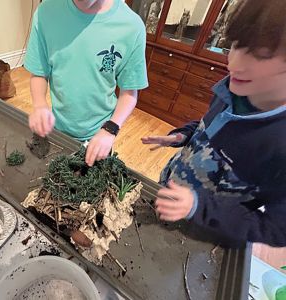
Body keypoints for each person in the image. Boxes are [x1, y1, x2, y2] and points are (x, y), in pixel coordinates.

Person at [142, 0, 286, 247]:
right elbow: (209, 128)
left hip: (205, 237)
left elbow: (277, 229)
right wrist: (183, 136)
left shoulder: (279, 144)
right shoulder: (234, 89)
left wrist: (199, 207)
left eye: (260, 55)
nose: (234, 64)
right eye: (236, 46)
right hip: (170, 194)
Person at [24, 0, 148, 166]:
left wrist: (111, 129)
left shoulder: (131, 26)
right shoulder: (45, 12)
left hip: (100, 137)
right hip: (57, 132)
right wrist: (39, 104)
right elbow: (39, 72)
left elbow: (129, 92)